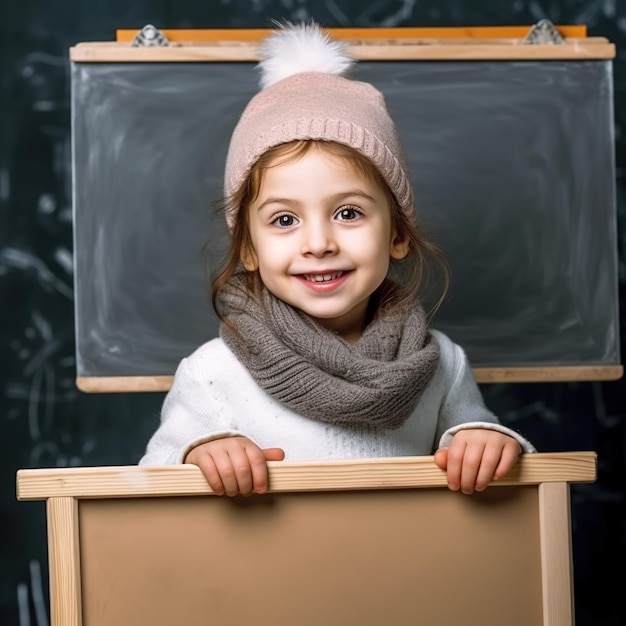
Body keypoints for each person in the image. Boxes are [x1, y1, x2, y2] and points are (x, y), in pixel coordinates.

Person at [139, 21, 535, 497]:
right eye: (284, 220)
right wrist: (199, 455)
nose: (319, 242)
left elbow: (497, 475)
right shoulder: (213, 373)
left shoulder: (443, 365)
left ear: (398, 235)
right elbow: (150, 488)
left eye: (348, 213)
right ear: (248, 247)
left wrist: (485, 443)